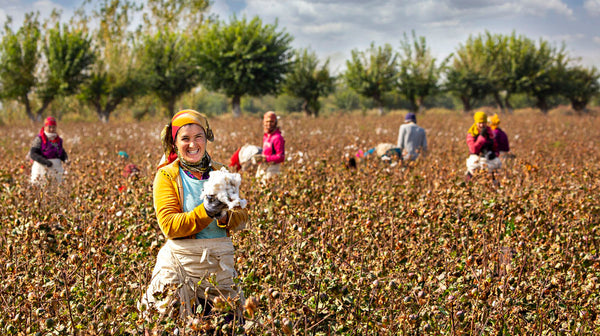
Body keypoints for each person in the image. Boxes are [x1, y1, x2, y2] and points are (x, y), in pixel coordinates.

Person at [140, 109, 249, 322]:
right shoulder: (167, 176)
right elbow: (169, 226)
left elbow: (242, 216)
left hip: (219, 268)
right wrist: (206, 211)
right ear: (175, 144)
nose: (193, 144)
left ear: (206, 139)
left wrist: (224, 217)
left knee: (231, 324)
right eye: (185, 139)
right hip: (181, 267)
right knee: (171, 323)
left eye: (198, 137)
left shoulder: (221, 171)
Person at [29, 116, 68, 185]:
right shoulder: (39, 139)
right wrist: (45, 162)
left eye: (53, 127)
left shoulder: (58, 140)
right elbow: (33, 154)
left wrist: (65, 159)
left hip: (56, 169)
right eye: (49, 127)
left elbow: (61, 152)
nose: (52, 129)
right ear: (45, 127)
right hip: (41, 169)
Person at [465, 111, 501, 181]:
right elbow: (473, 149)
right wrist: (481, 136)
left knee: (496, 166)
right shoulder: (471, 134)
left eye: (483, 123)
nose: (482, 125)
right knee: (473, 170)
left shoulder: (491, 133)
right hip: (476, 159)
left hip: (489, 159)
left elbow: (496, 147)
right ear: (476, 122)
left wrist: (495, 154)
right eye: (480, 123)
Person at [255, 111, 285, 181]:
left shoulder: (277, 137)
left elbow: (281, 157)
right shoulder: (266, 136)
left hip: (272, 169)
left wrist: (266, 158)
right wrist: (259, 159)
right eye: (267, 122)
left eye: (271, 122)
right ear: (264, 123)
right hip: (263, 167)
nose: (269, 124)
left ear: (275, 123)